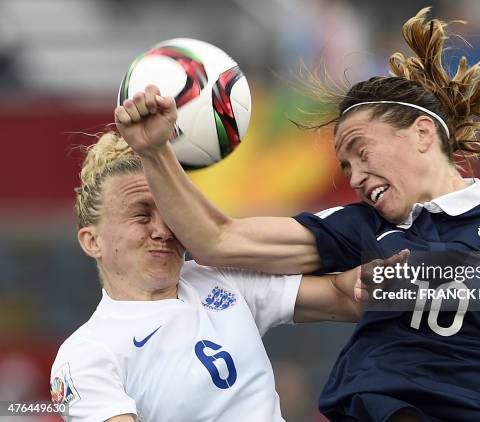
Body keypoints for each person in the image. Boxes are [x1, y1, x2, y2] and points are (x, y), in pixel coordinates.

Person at [114, 7, 480, 422]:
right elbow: (218, 241)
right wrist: (157, 152)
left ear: (420, 134)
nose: (353, 176)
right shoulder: (361, 227)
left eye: (360, 151)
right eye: (344, 165)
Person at [49, 132, 395, 422]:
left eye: (169, 213)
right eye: (141, 216)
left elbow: (345, 296)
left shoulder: (217, 279)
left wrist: (431, 280)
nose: (162, 230)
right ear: (92, 241)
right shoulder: (85, 355)